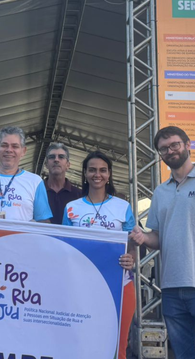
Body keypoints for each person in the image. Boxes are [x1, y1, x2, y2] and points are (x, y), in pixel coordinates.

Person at [129, 126, 195, 359]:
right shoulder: (160, 192)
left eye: (174, 145)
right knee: (183, 355)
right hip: (170, 288)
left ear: (188, 144)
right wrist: (143, 237)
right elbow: (157, 238)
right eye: (163, 149)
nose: (170, 151)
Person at [62, 151, 136, 359]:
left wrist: (132, 258)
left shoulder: (122, 206)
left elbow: (133, 243)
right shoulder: (71, 208)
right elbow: (65, 248)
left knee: (118, 345)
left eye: (103, 170)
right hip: (81, 287)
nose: (97, 174)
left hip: (120, 285)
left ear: (109, 174)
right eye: (92, 170)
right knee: (83, 342)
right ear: (84, 173)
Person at [0, 126, 52, 222]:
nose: (9, 150)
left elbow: (44, 222)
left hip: (21, 237)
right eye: (4, 145)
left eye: (15, 146)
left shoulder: (35, 181)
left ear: (23, 151)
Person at [43, 142, 81, 225]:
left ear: (68, 165)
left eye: (61, 157)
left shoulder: (79, 195)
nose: (56, 160)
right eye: (52, 157)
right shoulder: (35, 192)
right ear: (46, 164)